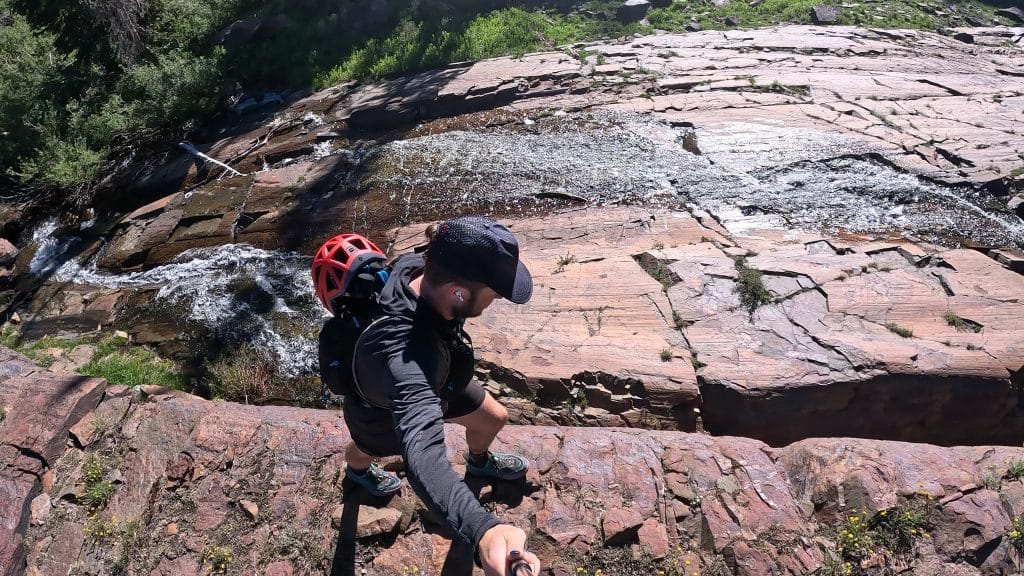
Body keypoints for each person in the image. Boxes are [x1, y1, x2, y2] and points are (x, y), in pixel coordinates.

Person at [338, 216, 541, 576]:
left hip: (442, 383)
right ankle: (356, 472)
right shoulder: (407, 358)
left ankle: (478, 461)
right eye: (494, 294)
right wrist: (484, 529)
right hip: (384, 411)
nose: (496, 300)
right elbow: (423, 457)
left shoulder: (423, 268)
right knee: (365, 448)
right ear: (458, 293)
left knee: (495, 417)